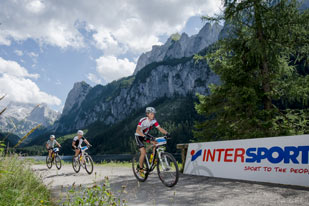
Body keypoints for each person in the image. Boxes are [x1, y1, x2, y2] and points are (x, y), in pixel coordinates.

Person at [135, 107, 169, 177]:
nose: (153, 115)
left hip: (146, 135)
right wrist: (144, 136)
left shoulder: (154, 121)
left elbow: (160, 129)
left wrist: (167, 133)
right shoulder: (143, 120)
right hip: (139, 136)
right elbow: (137, 131)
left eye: (153, 114)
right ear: (147, 114)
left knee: (156, 142)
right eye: (151, 114)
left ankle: (152, 159)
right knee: (143, 152)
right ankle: (140, 169)